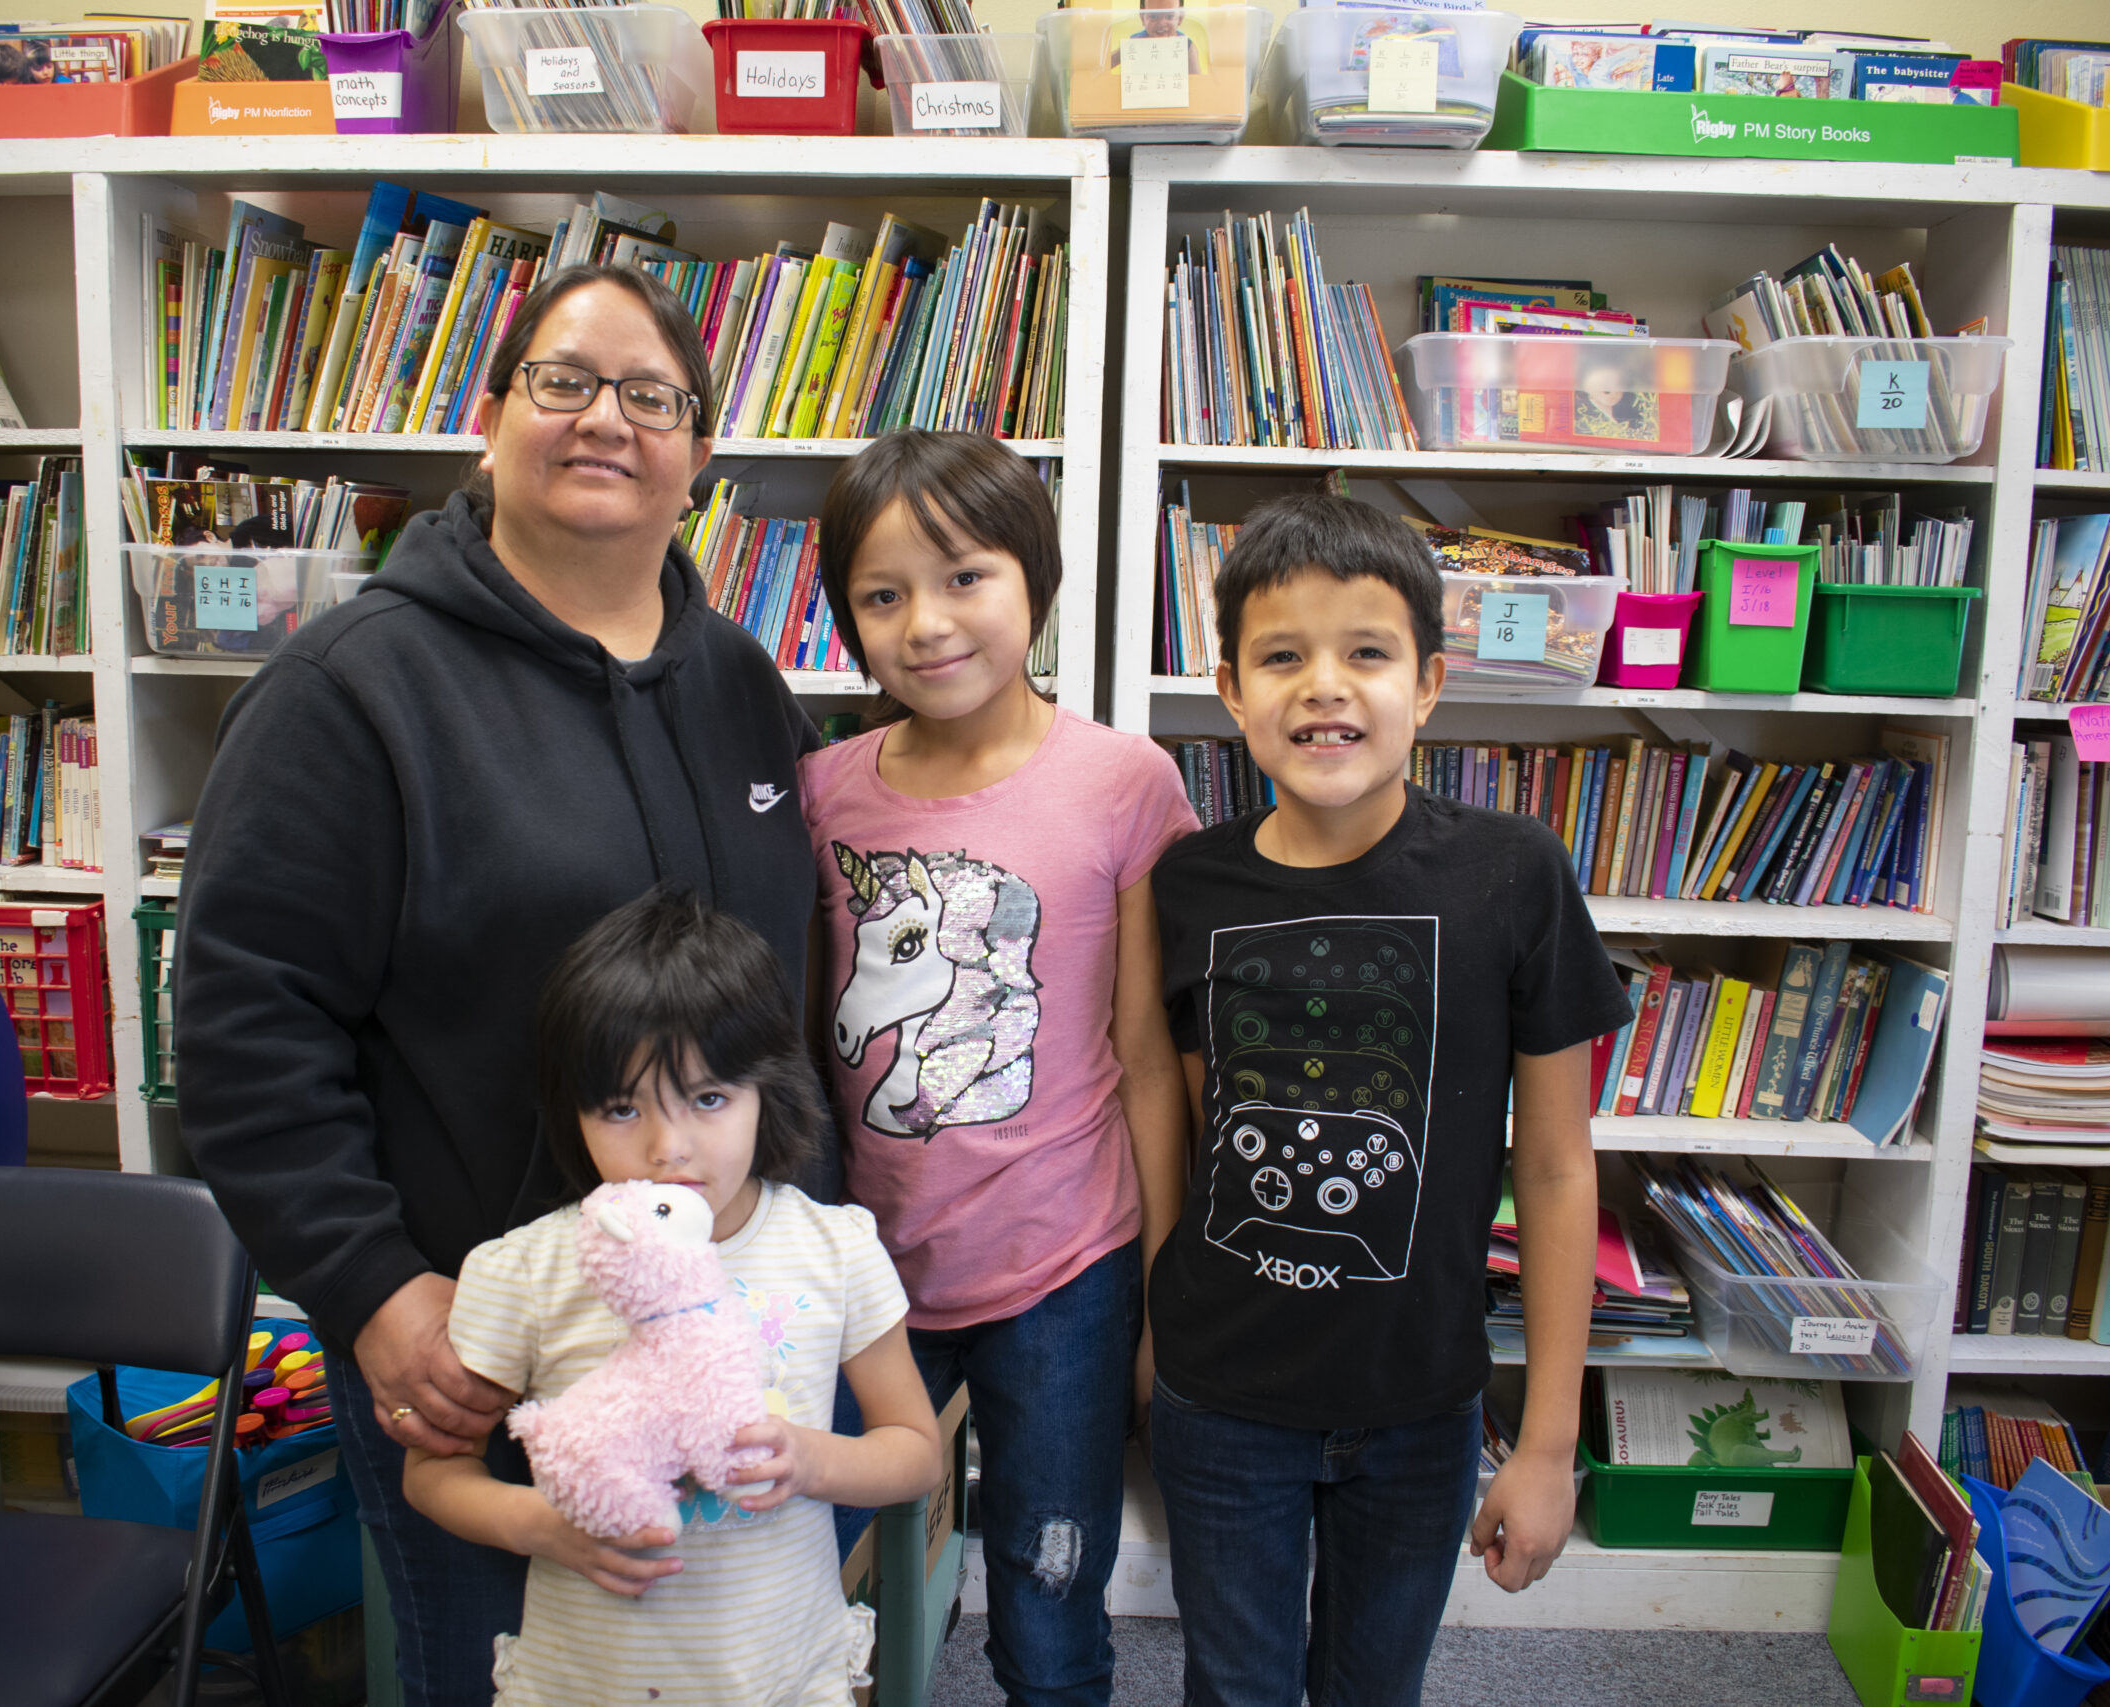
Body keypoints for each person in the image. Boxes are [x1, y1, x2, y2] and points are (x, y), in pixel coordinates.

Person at [173, 264, 824, 1707]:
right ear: (486, 416)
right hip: (489, 1345)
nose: (608, 420)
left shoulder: (741, 682)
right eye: (566, 381)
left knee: (741, 1668)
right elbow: (244, 1029)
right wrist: (374, 1290)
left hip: (746, 1332)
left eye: (651, 396)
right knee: (502, 1680)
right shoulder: (350, 692)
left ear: (700, 453)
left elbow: (788, 1001)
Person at [1145, 493, 1630, 1707]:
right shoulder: (1187, 882)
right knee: (1235, 1688)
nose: (1324, 686)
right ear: (1228, 692)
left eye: (1365, 652)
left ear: (1427, 684)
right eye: (1281, 656)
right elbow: (1197, 1132)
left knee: (1375, 1689)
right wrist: (1155, 1331)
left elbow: (1559, 1168)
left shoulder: (1514, 874)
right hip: (1222, 1397)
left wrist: (1548, 1444)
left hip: (1421, 1405)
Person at [801, 431, 1199, 1706]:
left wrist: (1161, 1288)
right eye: (881, 594)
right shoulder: (821, 795)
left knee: (1047, 1585)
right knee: (816, 1581)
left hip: (1064, 1273)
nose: (926, 623)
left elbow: (1147, 1056)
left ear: (1034, 579)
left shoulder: (1123, 783)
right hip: (864, 1269)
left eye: (964, 576)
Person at [405, 890, 941, 1707]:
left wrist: (811, 1458)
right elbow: (432, 1473)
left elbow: (916, 1448)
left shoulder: (834, 1247)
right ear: (571, 1114)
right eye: (621, 1108)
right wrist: (541, 1525)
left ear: (769, 1090)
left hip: (781, 1679)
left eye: (709, 1098)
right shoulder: (527, 1268)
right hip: (584, 1683)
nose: (668, 1148)